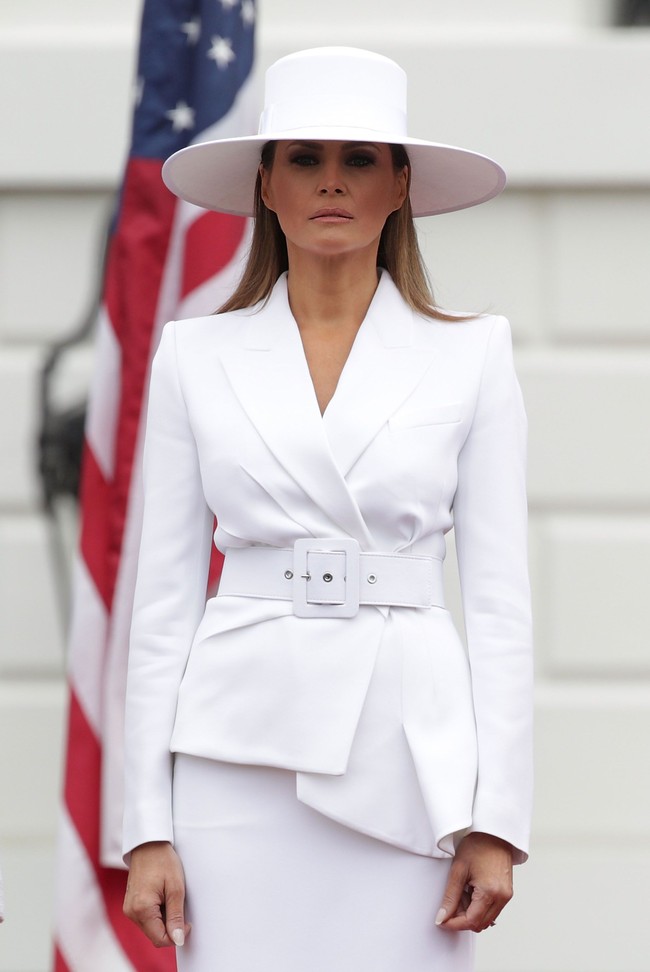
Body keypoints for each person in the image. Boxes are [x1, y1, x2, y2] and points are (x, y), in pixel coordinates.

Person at [122, 47, 533, 972]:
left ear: (401, 185)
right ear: (266, 185)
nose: (331, 182)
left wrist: (499, 818)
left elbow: (501, 607)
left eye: (360, 159)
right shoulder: (194, 356)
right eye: (304, 158)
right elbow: (161, 604)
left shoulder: (473, 354)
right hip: (235, 758)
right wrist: (145, 825)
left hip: (407, 764)